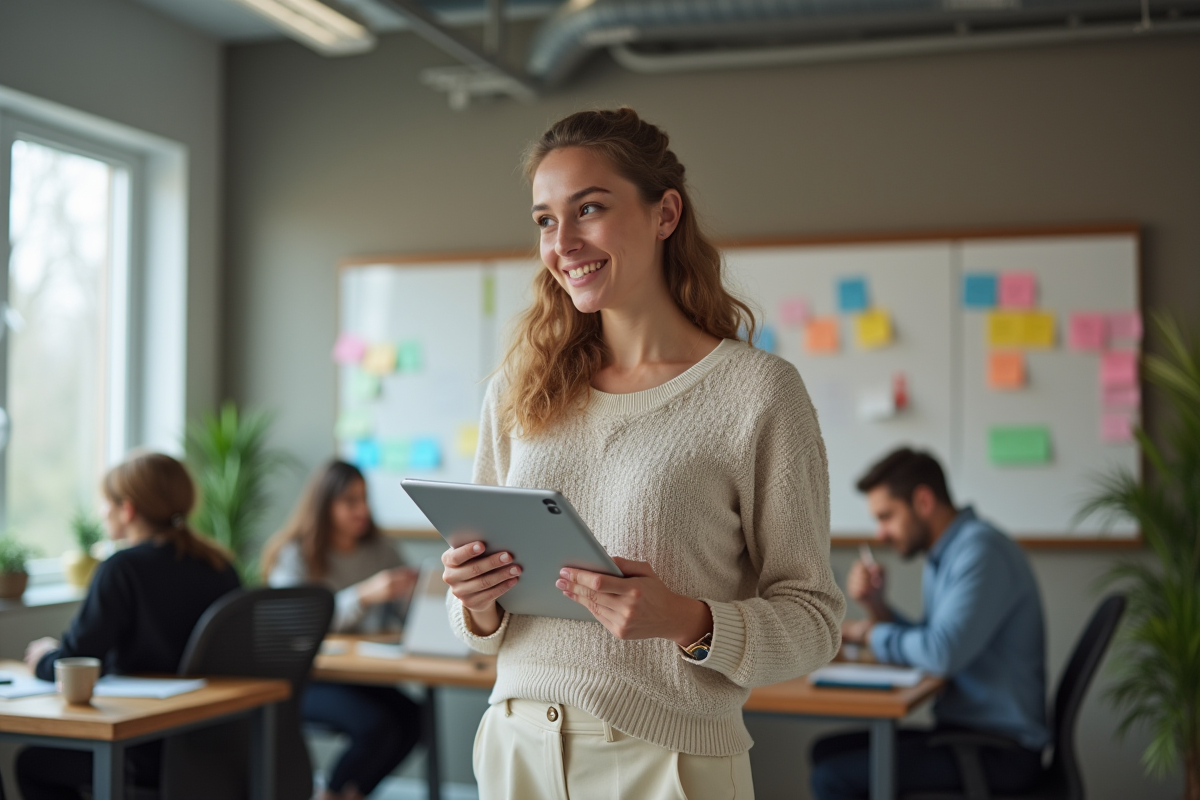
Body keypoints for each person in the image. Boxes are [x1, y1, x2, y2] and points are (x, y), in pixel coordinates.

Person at [439, 108, 845, 800]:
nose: (562, 242)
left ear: (665, 215)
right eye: (544, 220)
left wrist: (688, 620)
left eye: (588, 209)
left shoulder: (757, 392)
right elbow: (480, 627)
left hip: (666, 762)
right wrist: (475, 605)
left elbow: (814, 619)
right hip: (515, 748)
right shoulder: (519, 388)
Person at [811, 447, 1048, 799]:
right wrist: (877, 607)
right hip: (968, 734)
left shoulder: (979, 553)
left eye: (887, 516)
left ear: (923, 500)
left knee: (834, 778)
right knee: (825, 752)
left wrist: (868, 631)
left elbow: (941, 653)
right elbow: (933, 639)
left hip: (1000, 750)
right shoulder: (947, 553)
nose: (881, 534)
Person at [17, 452, 240, 799]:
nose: (103, 512)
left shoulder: (122, 568)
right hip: (210, 744)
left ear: (128, 509)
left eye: (107, 502)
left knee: (32, 764)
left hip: (138, 745)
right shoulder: (219, 566)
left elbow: (79, 661)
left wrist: (44, 658)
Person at [262, 460, 421, 800]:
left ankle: (351, 793)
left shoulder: (380, 549)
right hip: (308, 678)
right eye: (350, 501)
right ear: (325, 504)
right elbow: (297, 622)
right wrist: (364, 594)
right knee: (376, 726)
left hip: (361, 674)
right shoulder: (293, 554)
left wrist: (414, 594)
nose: (362, 510)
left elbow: (405, 614)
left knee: (414, 720)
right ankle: (331, 793)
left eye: (364, 499)